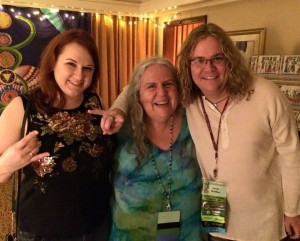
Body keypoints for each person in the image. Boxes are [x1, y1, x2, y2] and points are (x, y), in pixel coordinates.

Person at [102, 23, 300, 241]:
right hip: (215, 227)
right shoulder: (190, 101)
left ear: (230, 60)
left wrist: (292, 210)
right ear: (189, 66)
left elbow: (292, 154)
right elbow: (136, 86)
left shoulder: (265, 95)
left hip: (264, 225)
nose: (209, 68)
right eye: (199, 60)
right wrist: (118, 108)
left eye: (217, 58)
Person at [0, 29, 115, 241]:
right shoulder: (22, 107)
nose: (79, 76)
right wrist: (7, 164)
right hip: (41, 232)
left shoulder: (94, 102)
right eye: (71, 64)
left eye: (87, 68)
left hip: (95, 229)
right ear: (53, 63)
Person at [91, 57, 202, 240]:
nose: (162, 93)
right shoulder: (119, 131)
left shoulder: (195, 124)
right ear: (137, 95)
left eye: (168, 84)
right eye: (151, 86)